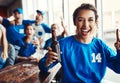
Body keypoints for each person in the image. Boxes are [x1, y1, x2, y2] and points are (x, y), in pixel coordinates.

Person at [38, 3, 120, 83]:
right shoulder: (63, 45)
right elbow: (42, 66)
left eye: (90, 20)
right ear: (75, 22)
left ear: (95, 22)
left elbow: (118, 68)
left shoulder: (101, 46)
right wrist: (47, 61)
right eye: (80, 20)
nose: (85, 25)